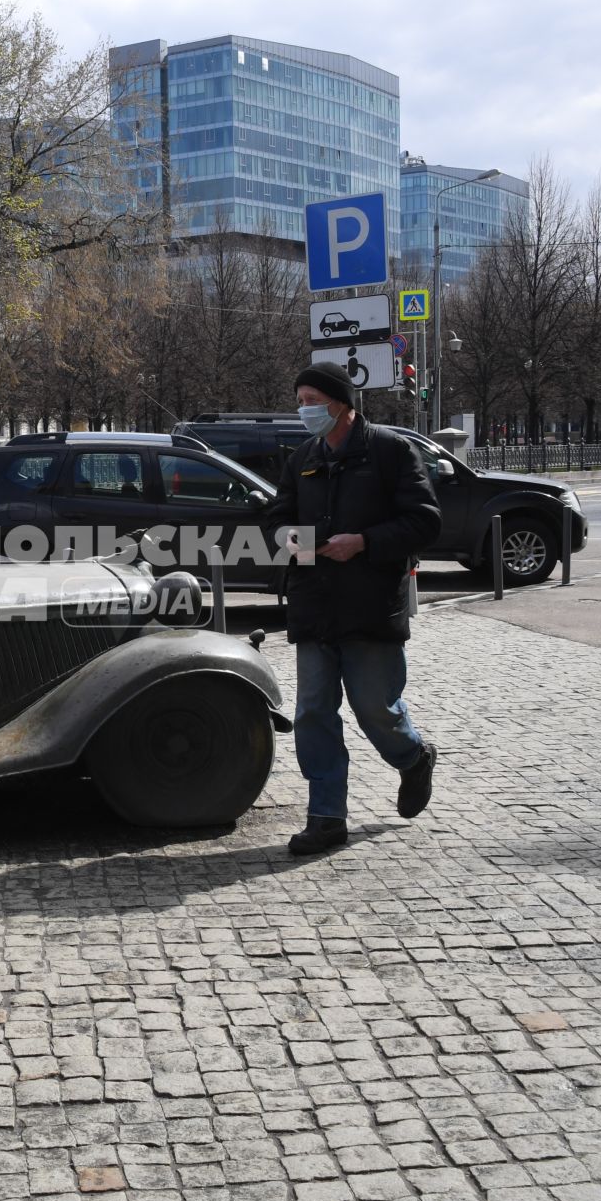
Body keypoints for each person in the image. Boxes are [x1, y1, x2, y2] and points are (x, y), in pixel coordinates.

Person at [266, 361, 443, 857]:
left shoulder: (389, 450)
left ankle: (412, 758)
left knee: (374, 710)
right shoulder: (301, 456)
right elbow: (276, 522)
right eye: (299, 400)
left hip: (369, 607)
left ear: (341, 403)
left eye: (312, 401)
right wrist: (302, 542)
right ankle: (326, 817)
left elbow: (425, 521)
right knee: (313, 713)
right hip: (313, 605)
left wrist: (363, 542)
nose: (304, 410)